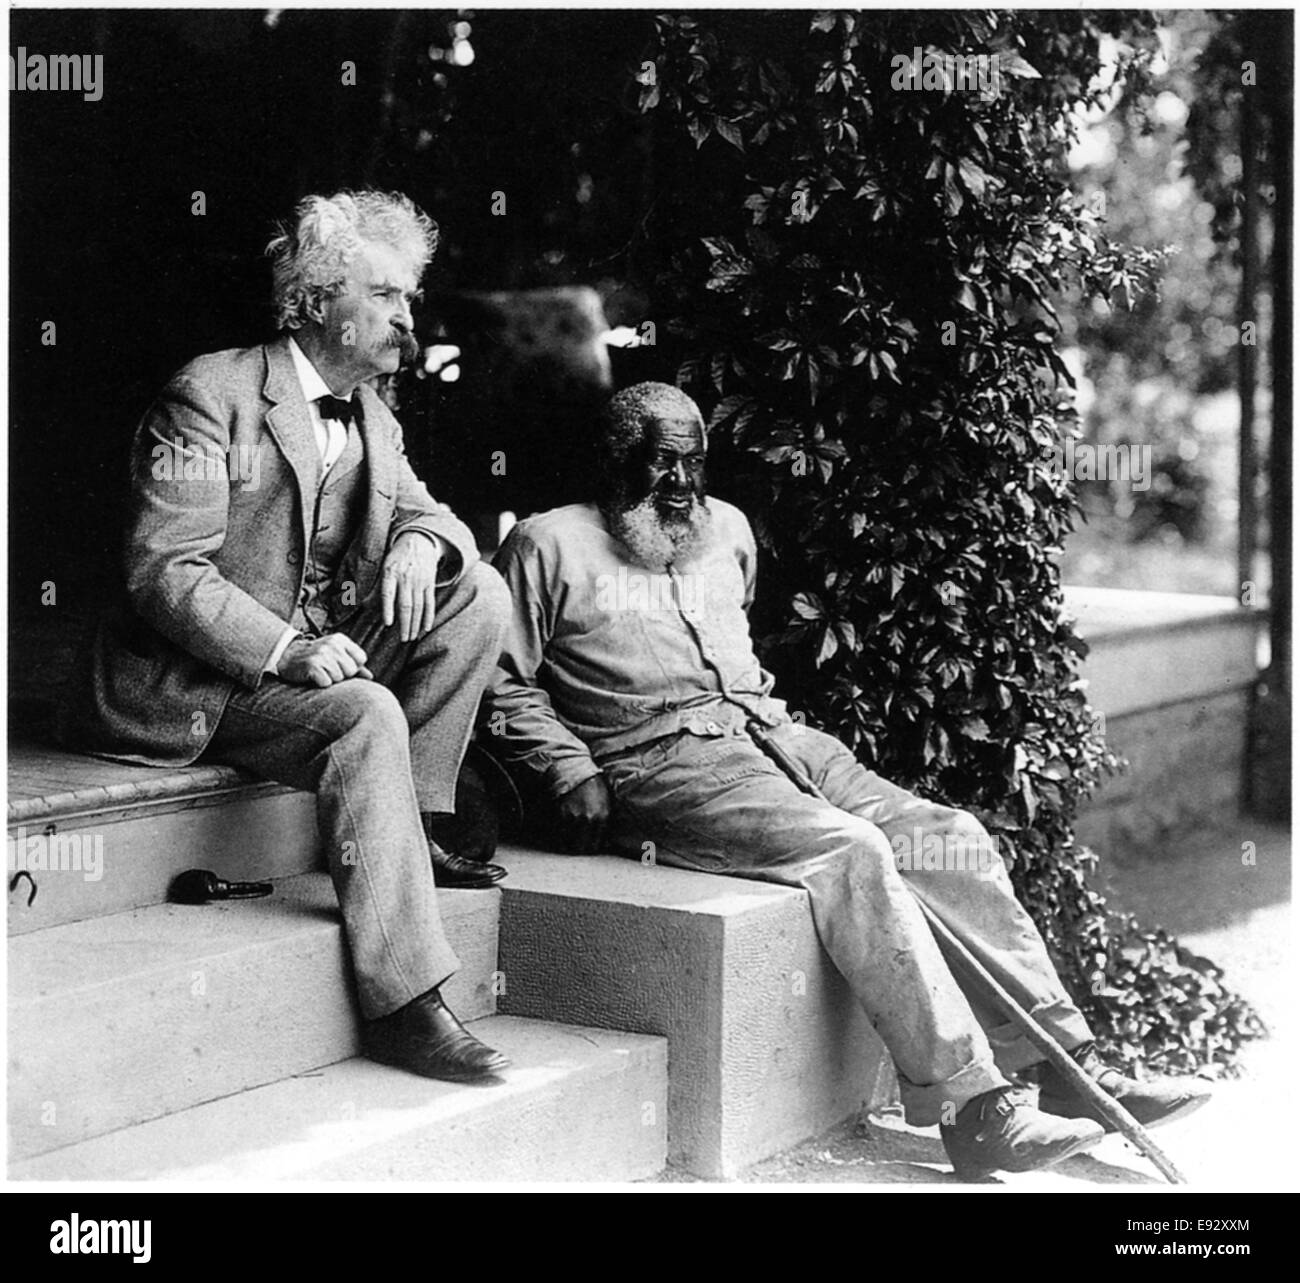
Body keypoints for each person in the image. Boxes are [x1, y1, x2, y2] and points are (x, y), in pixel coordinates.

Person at [484, 380, 1211, 1177]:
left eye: (694, 463)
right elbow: (501, 678)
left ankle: (1069, 1066)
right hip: (661, 763)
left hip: (777, 737)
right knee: (851, 850)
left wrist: (779, 736)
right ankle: (975, 1108)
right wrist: (568, 763)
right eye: (661, 463)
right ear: (616, 459)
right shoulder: (548, 545)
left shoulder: (725, 529)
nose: (681, 484)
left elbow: (740, 657)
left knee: (948, 837)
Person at [61, 190, 511, 1083]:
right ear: (316, 302)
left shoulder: (373, 414)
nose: (405, 319)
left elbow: (442, 520)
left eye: (409, 299)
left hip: (304, 657)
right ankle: (403, 1001)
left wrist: (422, 542)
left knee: (479, 594)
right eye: (386, 296)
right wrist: (289, 649)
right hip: (197, 678)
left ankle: (407, 830)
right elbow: (164, 571)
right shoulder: (209, 393)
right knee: (363, 712)